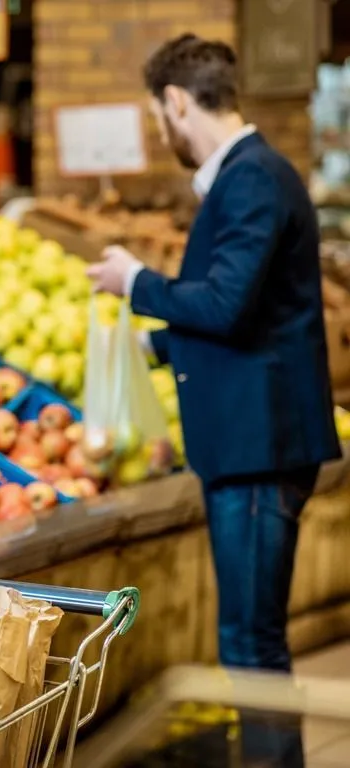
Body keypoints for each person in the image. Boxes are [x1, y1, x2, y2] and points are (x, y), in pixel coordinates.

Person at [88, 34, 341, 764]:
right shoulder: (249, 176)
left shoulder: (252, 178)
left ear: (175, 102)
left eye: (156, 117)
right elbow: (250, 314)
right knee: (247, 634)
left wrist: (137, 284)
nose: (159, 132)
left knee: (251, 638)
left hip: (259, 449)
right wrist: (153, 348)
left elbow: (227, 304)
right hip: (249, 442)